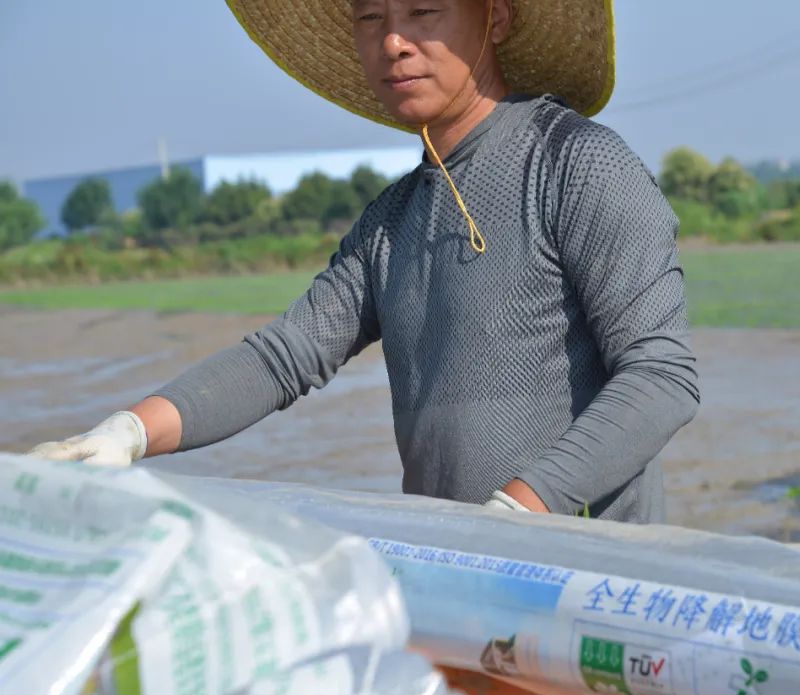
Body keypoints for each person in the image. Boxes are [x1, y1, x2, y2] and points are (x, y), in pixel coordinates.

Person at [30, 0, 699, 523]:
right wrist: (124, 434)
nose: (394, 42)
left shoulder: (578, 165)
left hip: (581, 583)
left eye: (423, 14)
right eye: (371, 17)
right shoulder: (391, 222)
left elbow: (662, 375)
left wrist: (525, 506)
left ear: (494, 16)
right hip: (461, 575)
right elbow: (283, 355)